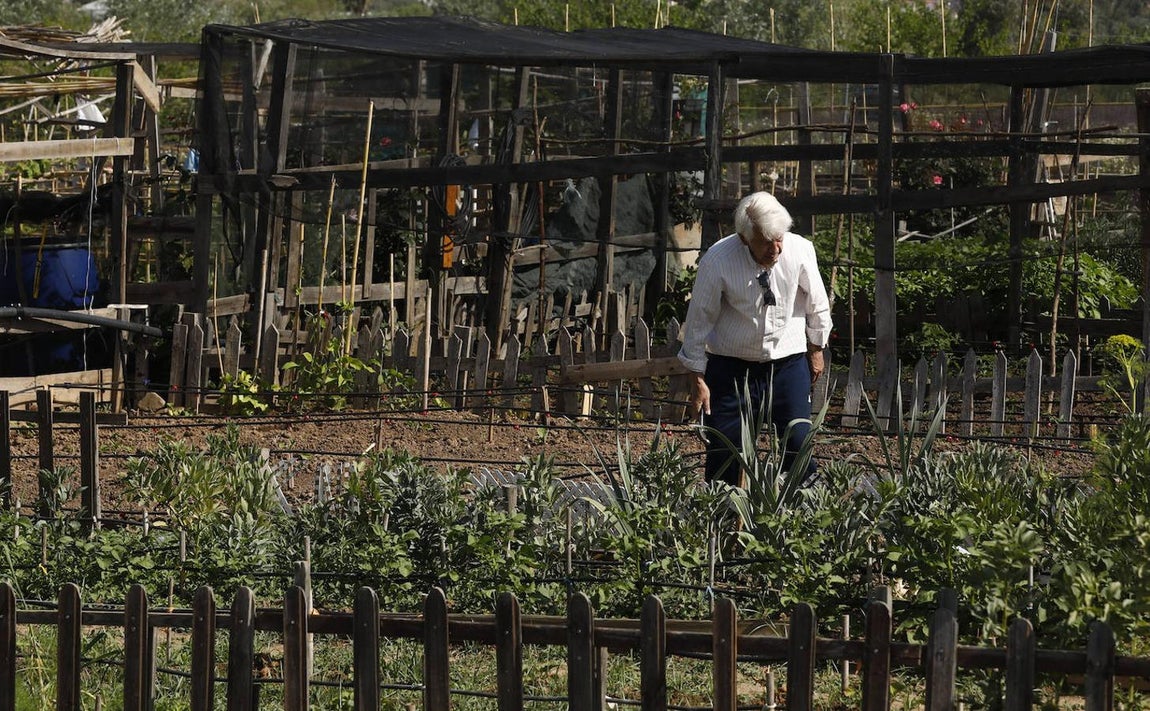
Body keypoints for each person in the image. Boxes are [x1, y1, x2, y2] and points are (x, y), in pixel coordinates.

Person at [677, 191, 832, 486]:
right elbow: (699, 318)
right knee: (725, 451)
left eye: (780, 238)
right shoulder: (719, 260)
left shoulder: (800, 250)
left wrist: (816, 348)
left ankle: (803, 518)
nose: (776, 249)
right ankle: (723, 521)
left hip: (787, 363)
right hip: (731, 368)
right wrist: (697, 377)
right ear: (745, 238)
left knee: (798, 444)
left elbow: (817, 303)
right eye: (766, 241)